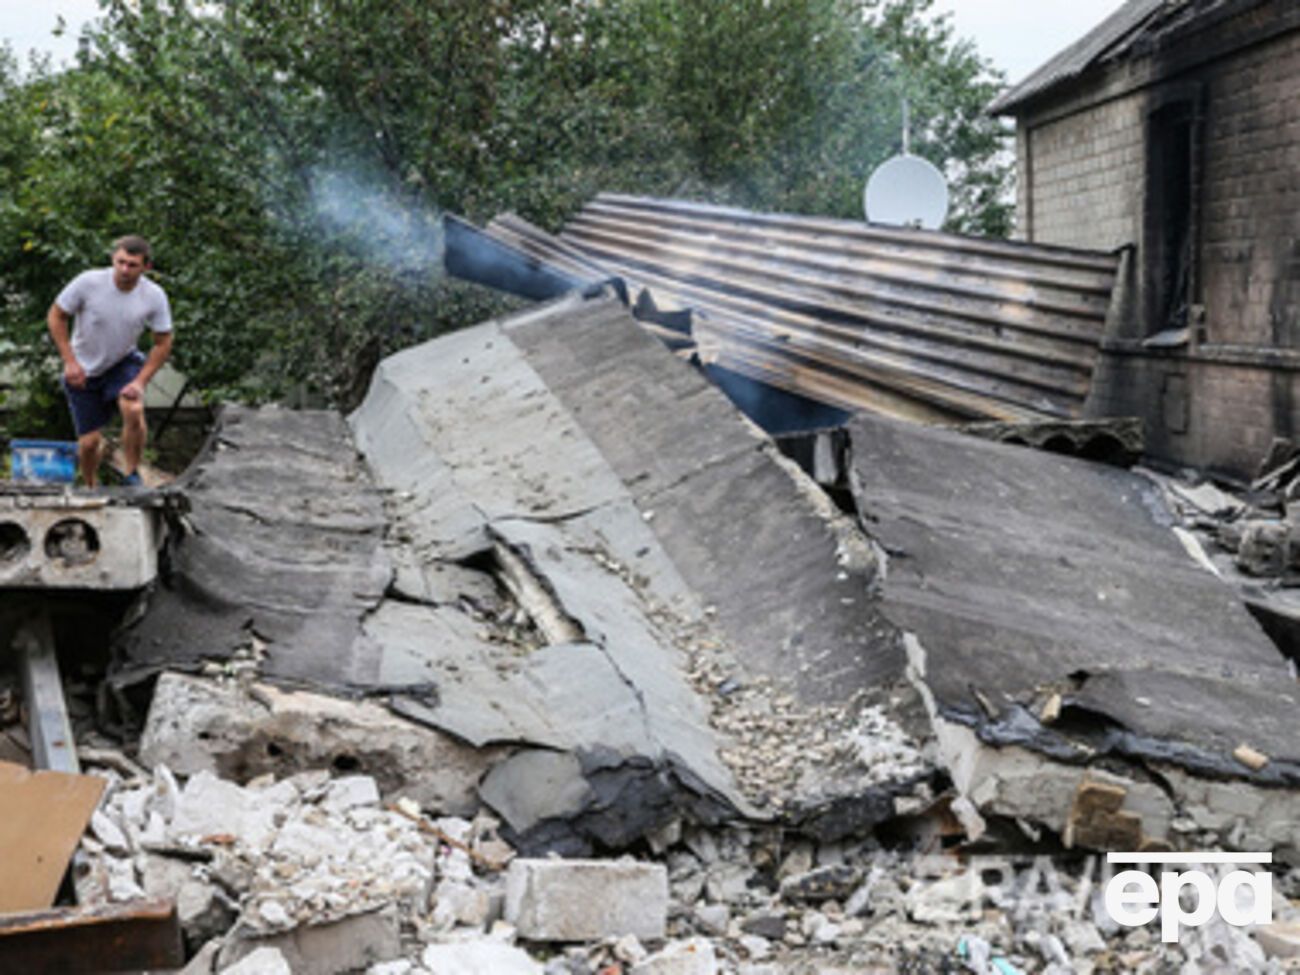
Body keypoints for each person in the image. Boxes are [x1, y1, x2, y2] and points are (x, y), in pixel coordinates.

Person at [47, 236, 174, 488]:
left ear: (146, 267)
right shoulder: (88, 282)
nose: (125, 270)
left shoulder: (153, 295)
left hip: (121, 361)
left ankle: (131, 473)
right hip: (83, 368)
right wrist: (69, 361)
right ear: (113, 259)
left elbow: (163, 342)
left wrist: (140, 381)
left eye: (133, 265)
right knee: (90, 443)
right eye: (121, 262)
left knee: (133, 408)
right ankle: (91, 484)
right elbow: (56, 316)